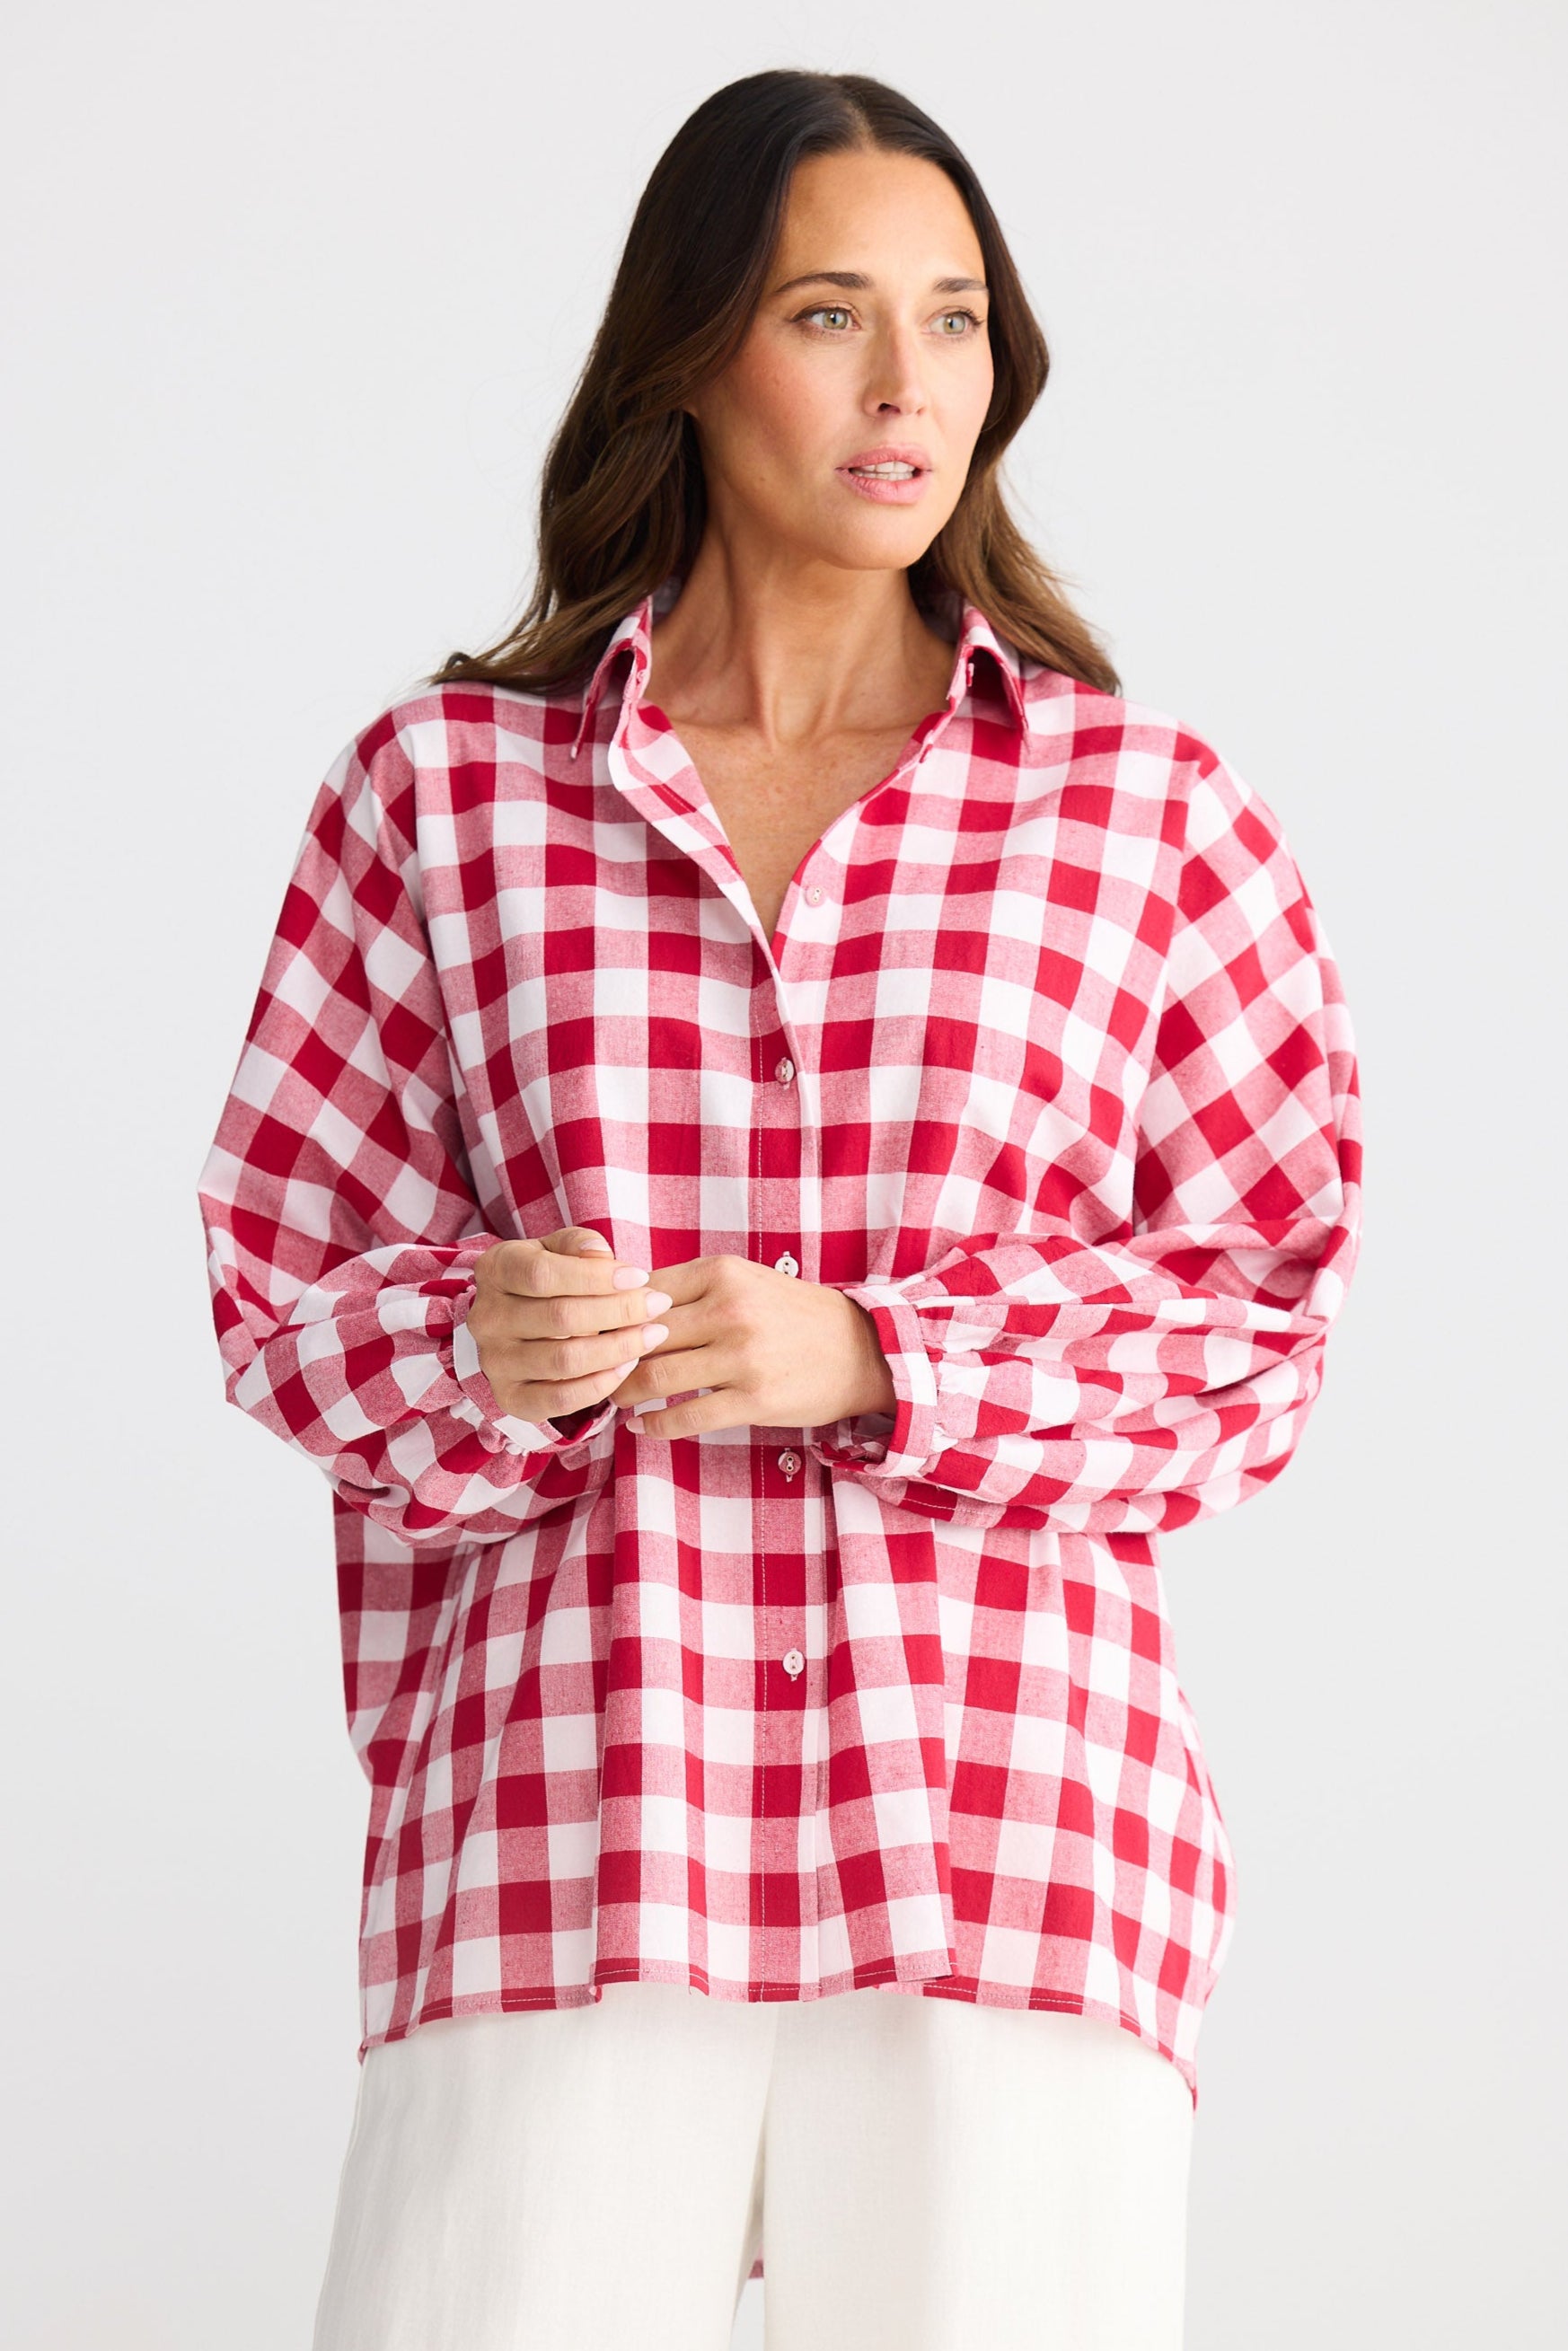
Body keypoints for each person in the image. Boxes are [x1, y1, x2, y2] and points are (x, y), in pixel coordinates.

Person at [197, 66, 1361, 2351]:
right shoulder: (442, 793)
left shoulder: (1144, 814)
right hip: (562, 1819)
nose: (910, 382)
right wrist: (473, 1342)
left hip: (1010, 1831)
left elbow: (1259, 1321)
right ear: (693, 347)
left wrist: (883, 1356)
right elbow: (279, 1280)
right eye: (833, 312)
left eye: (954, 318)